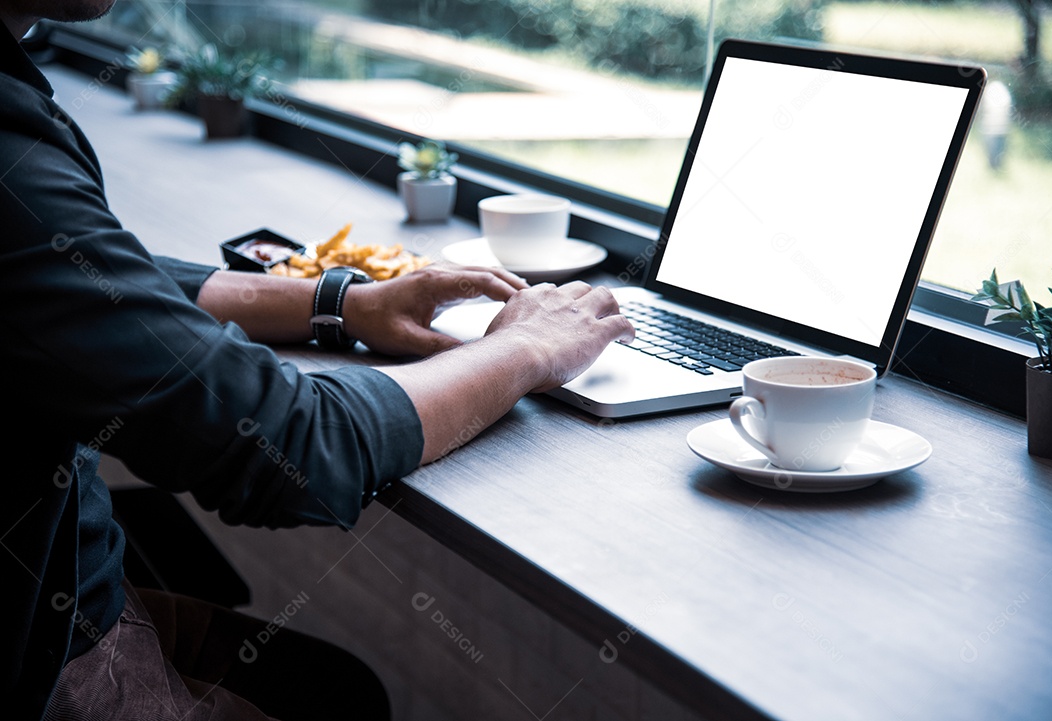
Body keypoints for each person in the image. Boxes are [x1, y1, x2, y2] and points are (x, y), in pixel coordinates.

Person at [0, 1, 634, 719]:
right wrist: (526, 349)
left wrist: (339, 304)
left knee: (336, 691)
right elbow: (289, 443)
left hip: (74, 594)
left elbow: (88, 277)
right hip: (53, 659)